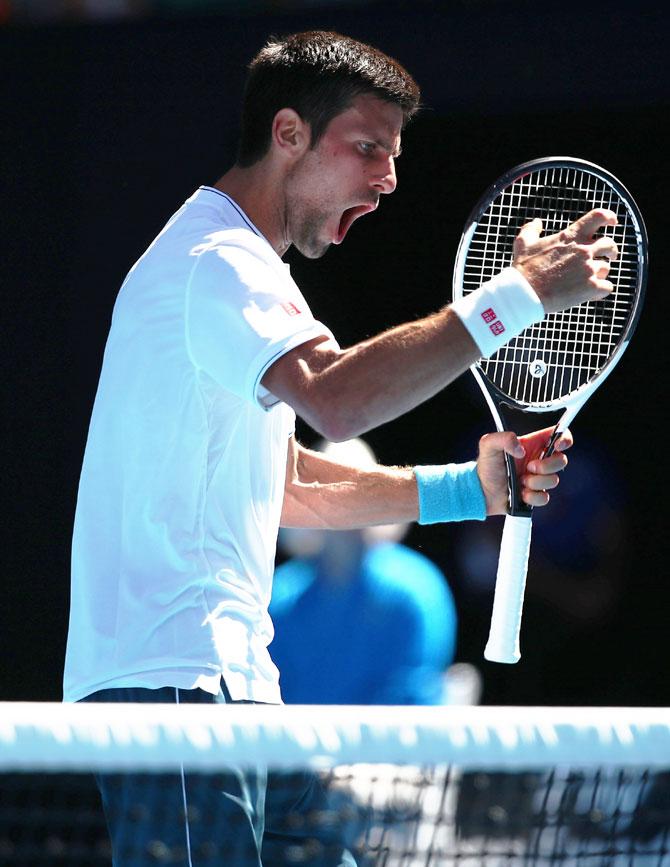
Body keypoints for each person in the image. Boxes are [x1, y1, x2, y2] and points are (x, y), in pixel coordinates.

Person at [62, 29, 619, 867]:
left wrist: (470, 487)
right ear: (288, 134)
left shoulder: (240, 273)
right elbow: (340, 398)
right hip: (173, 688)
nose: (388, 179)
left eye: (392, 156)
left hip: (240, 689)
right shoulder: (216, 260)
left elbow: (285, 485)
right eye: (367, 149)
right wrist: (523, 292)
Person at [271, 436, 461, 706]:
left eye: (351, 501)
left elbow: (413, 696)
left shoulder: (415, 589)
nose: (343, 515)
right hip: (299, 745)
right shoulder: (283, 595)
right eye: (331, 500)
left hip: (391, 746)